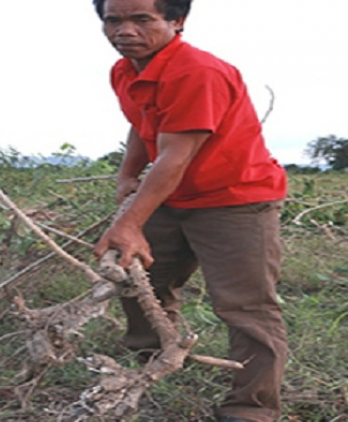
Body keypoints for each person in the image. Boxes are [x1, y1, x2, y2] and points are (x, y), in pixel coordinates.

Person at [90, 1, 289, 421]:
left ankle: (250, 410)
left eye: (142, 19)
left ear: (176, 21)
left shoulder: (197, 72)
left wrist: (128, 222)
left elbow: (175, 156)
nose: (124, 30)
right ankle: (152, 365)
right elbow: (144, 124)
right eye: (114, 19)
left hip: (235, 201)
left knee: (246, 308)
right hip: (172, 197)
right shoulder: (126, 71)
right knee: (139, 282)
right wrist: (127, 174)